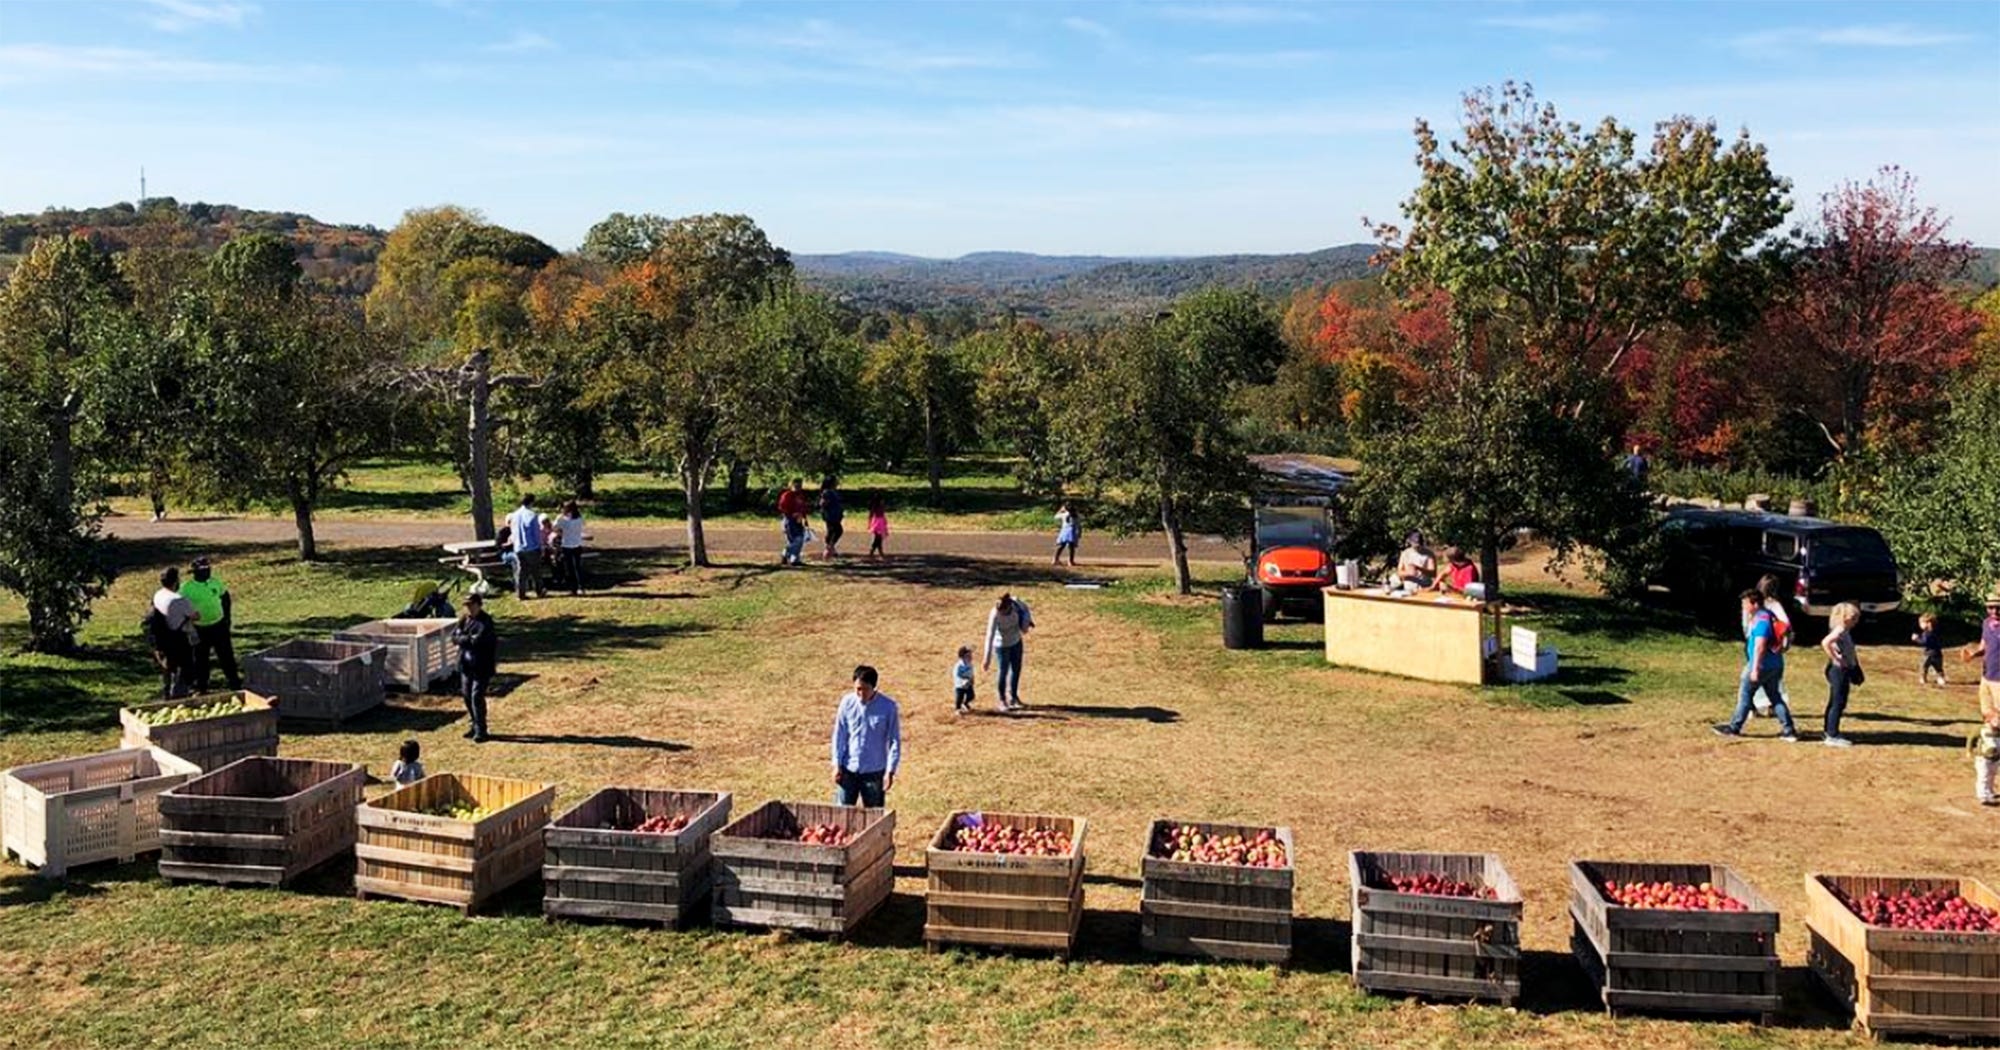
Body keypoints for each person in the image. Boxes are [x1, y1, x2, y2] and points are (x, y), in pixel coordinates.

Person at [1715, 589, 1799, 741]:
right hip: (1776, 663)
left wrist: (1755, 669)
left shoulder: (1761, 621)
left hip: (1761, 664)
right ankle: (1789, 730)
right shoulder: (1770, 615)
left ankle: (1734, 727)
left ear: (1754, 604)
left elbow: (1760, 646)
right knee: (1775, 696)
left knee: (1745, 694)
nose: (1743, 607)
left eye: (1745, 604)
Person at [830, 665, 900, 807]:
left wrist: (890, 771)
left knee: (874, 818)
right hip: (848, 769)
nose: (861, 693)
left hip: (874, 772)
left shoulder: (888, 707)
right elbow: (840, 735)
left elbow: (894, 741)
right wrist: (836, 764)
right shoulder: (847, 703)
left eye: (865, 689)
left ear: (874, 687)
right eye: (858, 689)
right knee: (842, 816)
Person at [180, 556, 241, 692]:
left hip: (218, 626)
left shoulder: (215, 582)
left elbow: (225, 597)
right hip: (199, 628)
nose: (207, 572)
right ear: (195, 571)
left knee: (227, 657)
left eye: (208, 569)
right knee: (201, 659)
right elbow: (179, 605)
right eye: (203, 569)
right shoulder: (186, 588)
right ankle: (202, 687)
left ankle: (234, 683)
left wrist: (227, 618)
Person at [1741, 574, 1794, 718]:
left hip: (1752, 643)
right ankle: (1772, 707)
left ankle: (1751, 707)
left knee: (1751, 677)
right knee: (1773, 680)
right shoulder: (1774, 604)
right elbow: (1786, 624)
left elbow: (1745, 626)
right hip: (1771, 646)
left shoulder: (1750, 602)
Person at [451, 592, 498, 742]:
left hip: (481, 666)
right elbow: (454, 638)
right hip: (466, 665)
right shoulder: (464, 619)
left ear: (479, 605)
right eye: (467, 606)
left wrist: (464, 638)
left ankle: (481, 729)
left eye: (472, 605)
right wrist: (466, 638)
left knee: (476, 696)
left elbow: (478, 641)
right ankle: (473, 724)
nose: (469, 608)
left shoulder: (486, 621)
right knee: (466, 695)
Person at [147, 567, 200, 699]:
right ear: (176, 581)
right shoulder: (178, 599)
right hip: (179, 639)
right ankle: (179, 698)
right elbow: (195, 616)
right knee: (184, 671)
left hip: (162, 639)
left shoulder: (158, 595)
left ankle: (167, 696)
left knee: (168, 670)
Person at [982, 593, 1034, 712]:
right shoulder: (995, 614)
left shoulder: (1016, 603)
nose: (1002, 614)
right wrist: (987, 658)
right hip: (1001, 645)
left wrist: (1026, 623)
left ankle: (1013, 697)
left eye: (1004, 612)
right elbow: (989, 636)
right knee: (1003, 671)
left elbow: (1026, 610)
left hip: (1016, 641)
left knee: (1016, 669)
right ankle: (1002, 700)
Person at [1820, 601, 1863, 747]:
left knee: (1836, 701)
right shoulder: (1840, 630)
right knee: (1838, 702)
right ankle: (1832, 735)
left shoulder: (1845, 631)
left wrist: (1855, 666)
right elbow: (1825, 642)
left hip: (1842, 669)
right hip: (1838, 670)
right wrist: (1836, 658)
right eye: (1853, 619)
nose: (1855, 622)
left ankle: (1828, 730)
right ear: (1845, 618)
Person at [1964, 591, 2000, 755]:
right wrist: (1973, 654)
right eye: (1991, 607)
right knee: (1987, 714)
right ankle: (1987, 745)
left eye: (1998, 608)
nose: (1995, 611)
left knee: (1998, 718)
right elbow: (1983, 646)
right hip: (1986, 677)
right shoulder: (1986, 623)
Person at [507, 494, 547, 599]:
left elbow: (513, 531)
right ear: (531, 502)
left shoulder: (514, 515)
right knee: (536, 571)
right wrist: (540, 546)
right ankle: (539, 591)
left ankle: (521, 593)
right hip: (531, 547)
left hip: (518, 547)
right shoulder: (532, 515)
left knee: (521, 571)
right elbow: (536, 533)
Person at [555, 500, 587, 596]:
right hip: (577, 544)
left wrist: (559, 517)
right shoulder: (579, 518)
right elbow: (582, 525)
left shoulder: (563, 520)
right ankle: (581, 587)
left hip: (567, 545)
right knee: (577, 566)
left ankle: (573, 588)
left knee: (570, 568)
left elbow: (555, 527)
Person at [1969, 709, 1999, 808]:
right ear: (1988, 720)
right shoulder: (1982, 729)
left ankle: (1990, 791)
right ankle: (1982, 795)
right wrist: (1969, 751)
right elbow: (1971, 738)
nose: (1998, 722)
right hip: (1983, 758)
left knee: (1992, 775)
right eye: (1996, 720)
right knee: (1983, 776)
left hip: (1995, 758)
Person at [777, 478, 810, 566]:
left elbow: (804, 508)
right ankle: (785, 554)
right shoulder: (787, 495)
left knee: (797, 539)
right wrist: (792, 514)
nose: (798, 487)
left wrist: (805, 519)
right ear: (791, 485)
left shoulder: (801, 496)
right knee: (797, 539)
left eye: (800, 485)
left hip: (799, 520)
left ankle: (795, 559)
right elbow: (782, 507)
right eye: (796, 485)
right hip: (789, 520)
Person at [1913, 612, 1947, 687]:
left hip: (1928, 654)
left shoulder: (1926, 633)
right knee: (1938, 668)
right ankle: (1941, 679)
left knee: (1924, 666)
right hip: (1938, 654)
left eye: (1921, 623)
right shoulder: (1936, 631)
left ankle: (1923, 678)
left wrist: (1916, 639)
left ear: (1927, 623)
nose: (1920, 625)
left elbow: (1924, 642)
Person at [819, 477, 845, 560]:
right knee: (836, 530)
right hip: (830, 516)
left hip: (836, 515)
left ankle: (831, 548)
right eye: (835, 482)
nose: (837, 483)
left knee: (836, 531)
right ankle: (828, 549)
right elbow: (823, 503)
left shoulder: (834, 492)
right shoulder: (827, 492)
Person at [1053, 502, 1079, 567]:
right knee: (1071, 547)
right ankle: (1070, 561)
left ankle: (1055, 559)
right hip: (1072, 531)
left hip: (1064, 530)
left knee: (1061, 545)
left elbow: (1055, 517)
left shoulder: (1064, 514)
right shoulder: (1076, 515)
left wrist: (1060, 510)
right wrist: (1079, 533)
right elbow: (1078, 524)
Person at [952, 645, 976, 715]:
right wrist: (963, 681)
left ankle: (965, 703)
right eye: (968, 656)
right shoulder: (959, 666)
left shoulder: (970, 664)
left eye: (971, 655)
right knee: (959, 697)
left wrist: (972, 679)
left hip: (968, 684)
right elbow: (957, 675)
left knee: (971, 696)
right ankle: (957, 709)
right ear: (962, 657)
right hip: (960, 685)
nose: (971, 657)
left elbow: (971, 672)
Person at [866, 494, 889, 559]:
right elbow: (871, 515)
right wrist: (869, 524)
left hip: (881, 522)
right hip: (877, 523)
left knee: (879, 538)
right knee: (877, 538)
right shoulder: (875, 507)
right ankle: (874, 551)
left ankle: (876, 551)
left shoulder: (882, 506)